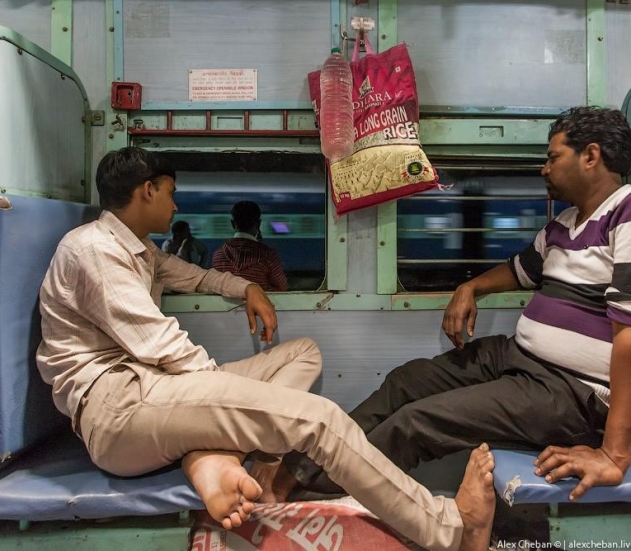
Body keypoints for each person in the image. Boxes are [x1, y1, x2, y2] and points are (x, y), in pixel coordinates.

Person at [36, 146, 497, 551]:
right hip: (118, 408)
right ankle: (450, 530)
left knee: (303, 353)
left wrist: (247, 289)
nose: (176, 205)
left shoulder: (140, 250)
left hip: (150, 392)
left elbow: (198, 277)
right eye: (171, 192)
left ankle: (214, 459)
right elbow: (159, 343)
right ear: (147, 190)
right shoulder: (93, 250)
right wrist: (224, 393)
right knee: (320, 420)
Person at [275, 106, 631, 504]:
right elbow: (520, 270)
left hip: (576, 392)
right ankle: (294, 472)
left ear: (591, 156)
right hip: (521, 358)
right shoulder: (566, 224)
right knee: (405, 381)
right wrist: (471, 287)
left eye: (553, 157)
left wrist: (613, 456)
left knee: (417, 422)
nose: (544, 168)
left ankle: (314, 497)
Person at [212, 200, 288, 292]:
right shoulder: (269, 255)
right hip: (258, 301)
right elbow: (281, 287)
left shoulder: (218, 255)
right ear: (258, 224)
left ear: (232, 224)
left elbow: (215, 287)